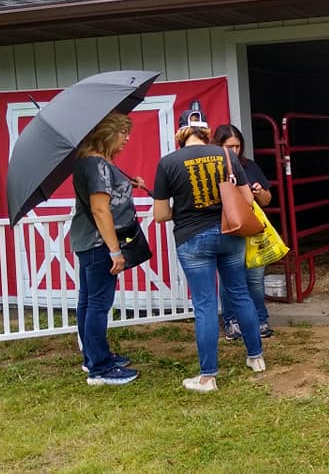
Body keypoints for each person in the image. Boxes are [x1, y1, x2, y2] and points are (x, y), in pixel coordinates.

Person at [153, 110, 266, 393]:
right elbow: (247, 198)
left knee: (204, 305)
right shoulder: (226, 156)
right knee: (240, 294)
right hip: (229, 234)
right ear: (206, 131)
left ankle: (207, 377)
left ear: (180, 133)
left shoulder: (167, 163)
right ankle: (256, 358)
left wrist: (184, 208)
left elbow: (160, 214)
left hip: (191, 238)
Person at [71, 111, 142, 386]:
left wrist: (130, 183)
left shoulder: (89, 162)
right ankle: (100, 368)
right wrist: (115, 250)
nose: (127, 138)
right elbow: (101, 209)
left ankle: (92, 357)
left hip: (85, 241)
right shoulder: (98, 166)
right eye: (123, 133)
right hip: (99, 243)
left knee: (87, 301)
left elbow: (108, 195)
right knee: (99, 304)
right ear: (108, 134)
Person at [211, 124, 275, 340]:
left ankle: (260, 320)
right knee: (231, 279)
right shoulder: (212, 168)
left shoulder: (250, 167)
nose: (235, 151)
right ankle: (231, 322)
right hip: (227, 230)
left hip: (251, 230)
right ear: (218, 146)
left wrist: (259, 192)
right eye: (230, 146)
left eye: (238, 146)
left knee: (255, 278)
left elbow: (267, 200)